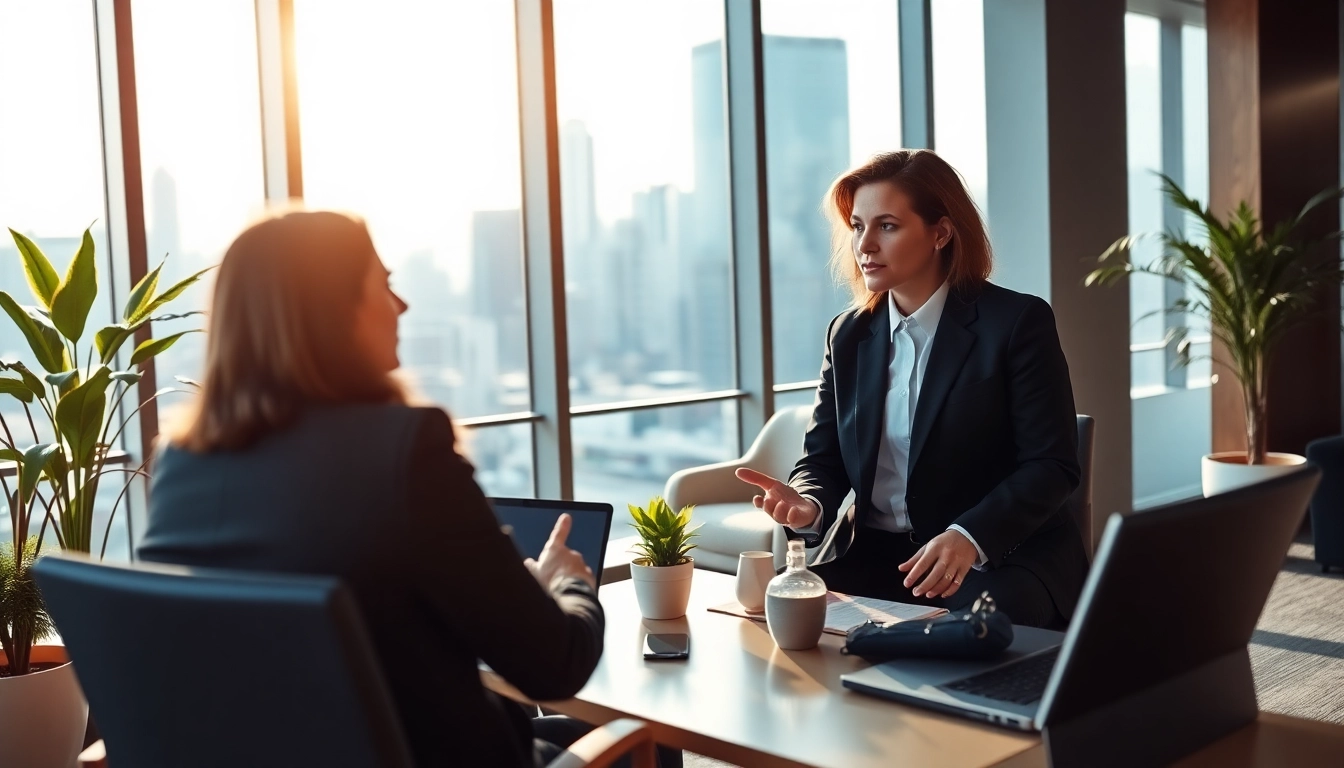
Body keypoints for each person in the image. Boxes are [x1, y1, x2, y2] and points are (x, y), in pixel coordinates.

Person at [137, 210, 665, 767]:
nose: (402, 306)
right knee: (633, 742)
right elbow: (555, 666)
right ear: (333, 312)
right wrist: (567, 586)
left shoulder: (180, 465)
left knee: (558, 731)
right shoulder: (404, 452)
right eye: (384, 284)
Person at [737, 150, 1088, 629]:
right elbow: (822, 460)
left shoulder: (1016, 323)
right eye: (858, 226)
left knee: (975, 635)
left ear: (941, 232)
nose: (865, 245)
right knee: (778, 614)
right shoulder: (849, 334)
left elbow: (1051, 466)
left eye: (887, 226)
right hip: (877, 558)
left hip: (991, 559)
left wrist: (968, 536)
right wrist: (809, 502)